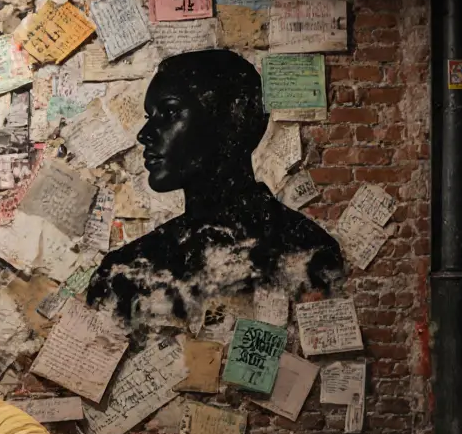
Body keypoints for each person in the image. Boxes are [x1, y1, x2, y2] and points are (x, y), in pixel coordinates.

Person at [88, 49, 343, 326]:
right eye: (151, 115)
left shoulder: (308, 251)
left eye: (170, 112)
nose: (144, 134)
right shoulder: (125, 271)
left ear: (232, 120)